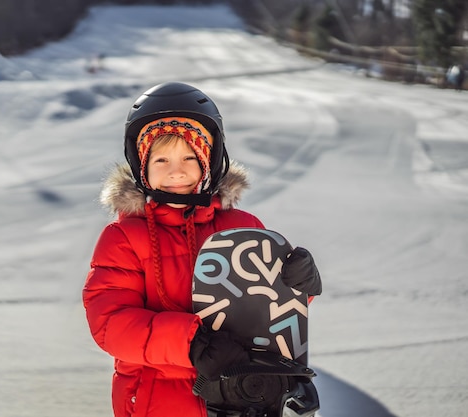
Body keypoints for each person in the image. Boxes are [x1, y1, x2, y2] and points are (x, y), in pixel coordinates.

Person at [82, 82, 322, 417]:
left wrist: (298, 286)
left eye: (190, 156)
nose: (176, 171)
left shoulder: (243, 227)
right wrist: (191, 343)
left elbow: (269, 308)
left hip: (242, 396)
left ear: (210, 159)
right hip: (160, 401)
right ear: (140, 164)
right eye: (161, 158)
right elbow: (110, 324)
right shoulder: (123, 237)